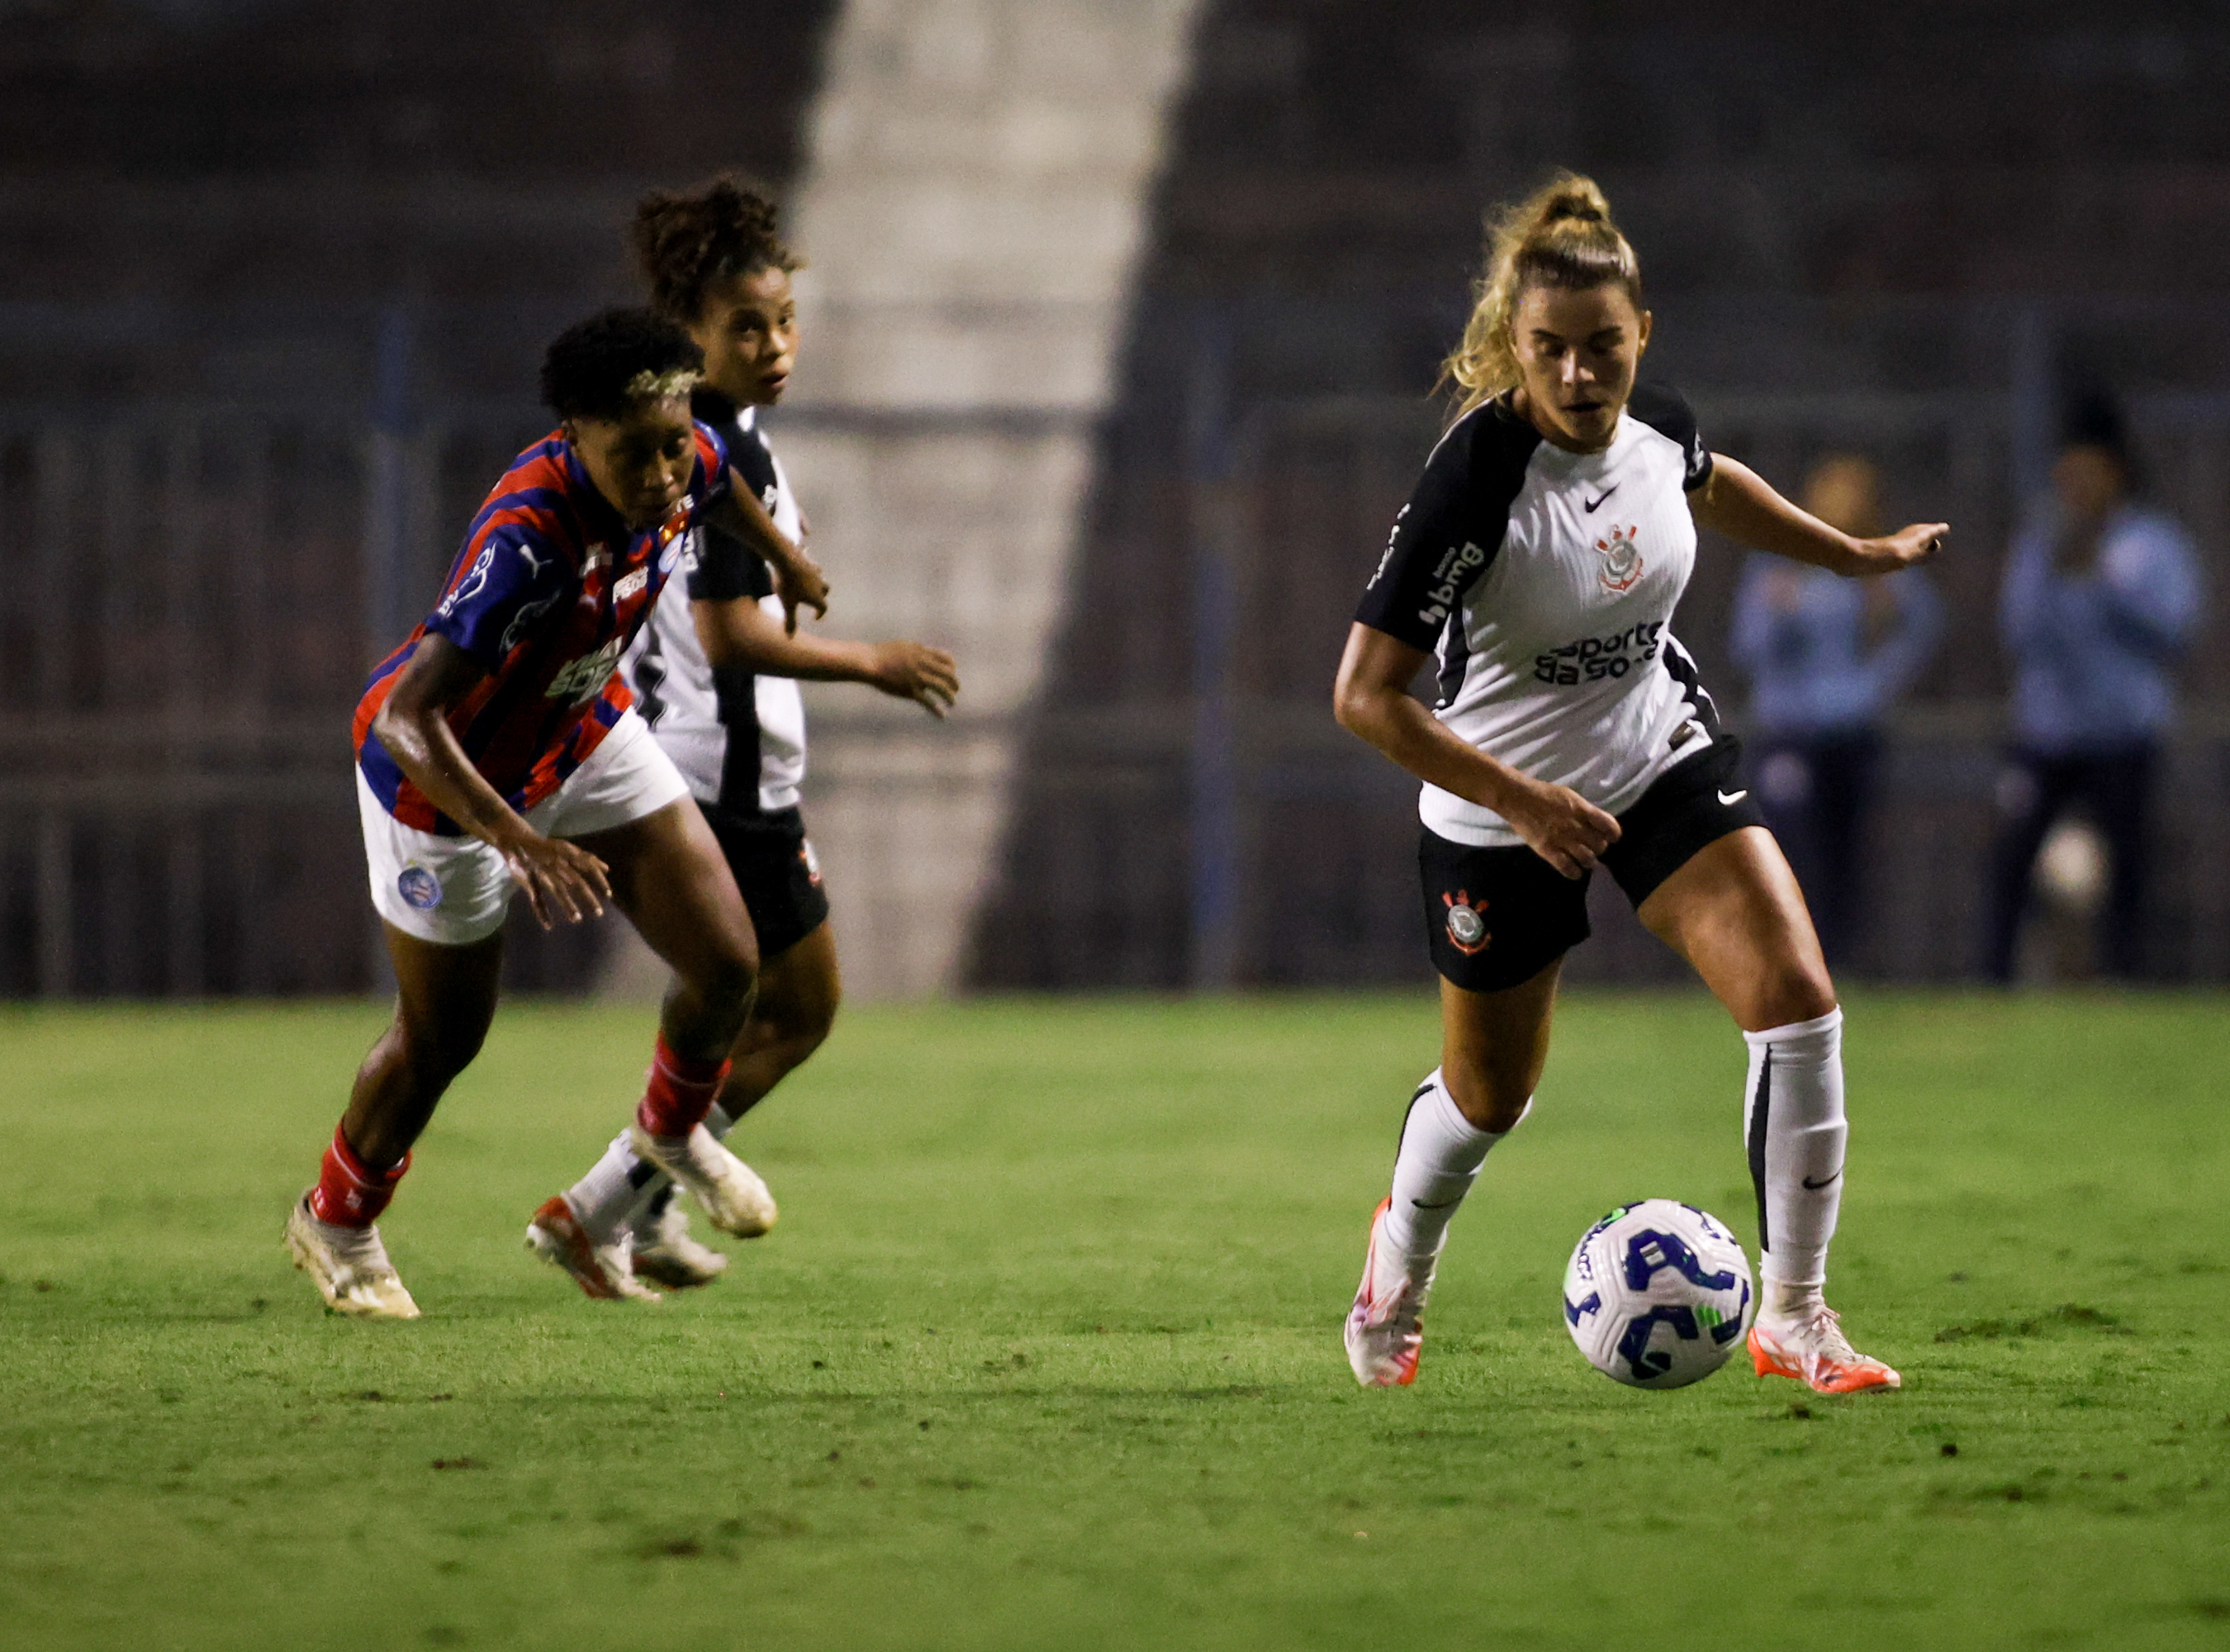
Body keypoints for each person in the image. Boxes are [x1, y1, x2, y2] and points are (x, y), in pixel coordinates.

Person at [1332, 174, 1943, 1395]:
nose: (1577, 374)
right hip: (1498, 803)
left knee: (1797, 1000)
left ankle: (1796, 1316)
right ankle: (1398, 1262)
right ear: (1515, 343)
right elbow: (1364, 696)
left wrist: (1849, 556)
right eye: (1550, 349)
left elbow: (1711, 481)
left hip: (1652, 750)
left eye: (1602, 345)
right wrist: (1522, 800)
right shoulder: (1475, 482)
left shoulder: (1657, 424)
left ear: (1642, 335)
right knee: (1491, 1096)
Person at [285, 306, 830, 1319]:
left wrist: (785, 561)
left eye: (673, 444)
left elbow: (717, 483)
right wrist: (518, 838)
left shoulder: (684, 456)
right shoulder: (528, 540)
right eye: (636, 454)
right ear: (575, 434)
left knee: (727, 963)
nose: (663, 472)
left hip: (581, 731)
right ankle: (337, 1216)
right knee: (443, 1037)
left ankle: (667, 1132)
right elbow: (409, 715)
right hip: (447, 782)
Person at [526, 179, 961, 1301]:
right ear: (692, 335)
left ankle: (630, 1211)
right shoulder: (709, 450)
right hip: (719, 772)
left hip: (704, 762)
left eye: (785, 322)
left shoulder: (712, 442)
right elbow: (728, 635)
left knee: (754, 1003)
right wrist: (872, 661)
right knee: (798, 1007)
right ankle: (601, 1207)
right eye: (746, 327)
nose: (775, 347)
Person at [1981, 392, 2199, 981]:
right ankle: (1992, 981)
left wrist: (2105, 580)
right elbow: (2016, 630)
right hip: (2046, 730)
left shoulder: (2152, 542)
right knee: (2011, 856)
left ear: (2115, 473)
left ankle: (2127, 979)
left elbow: (2176, 628)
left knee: (2128, 865)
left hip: (2122, 730)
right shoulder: (2041, 541)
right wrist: (2057, 570)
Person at [1729, 453, 1942, 966]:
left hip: (1853, 730)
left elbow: (1922, 627)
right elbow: (1748, 648)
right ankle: (1783, 956)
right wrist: (1778, 616)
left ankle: (1841, 961)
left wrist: (1878, 682)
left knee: (1847, 853)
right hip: (1789, 729)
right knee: (1790, 845)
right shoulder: (1779, 562)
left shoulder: (1878, 567)